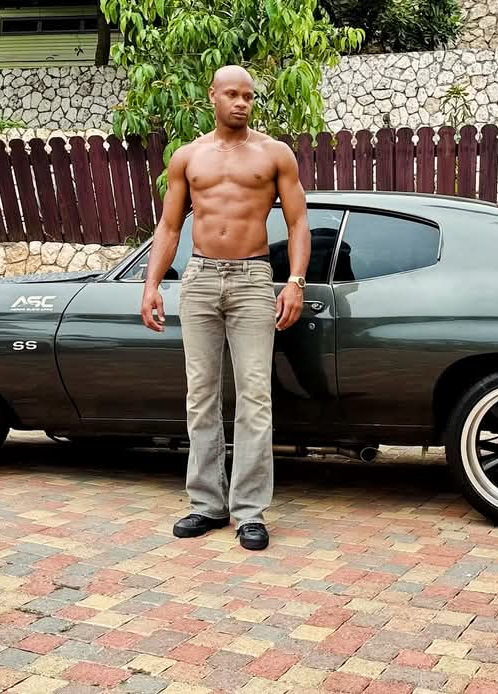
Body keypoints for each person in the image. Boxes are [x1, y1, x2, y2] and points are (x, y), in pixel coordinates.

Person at [139, 65, 311, 551]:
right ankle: (206, 505)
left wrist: (294, 281)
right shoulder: (188, 157)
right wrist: (152, 285)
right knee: (201, 395)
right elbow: (169, 228)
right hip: (198, 280)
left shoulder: (274, 154)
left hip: (254, 279)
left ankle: (250, 512)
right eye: (232, 94)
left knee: (255, 396)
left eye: (249, 96)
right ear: (211, 95)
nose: (241, 103)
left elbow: (299, 224)